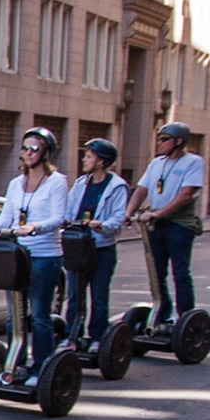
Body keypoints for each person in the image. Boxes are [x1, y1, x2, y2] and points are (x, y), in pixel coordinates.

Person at [0, 127, 70, 384]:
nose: (29, 153)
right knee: (14, 317)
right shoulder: (15, 184)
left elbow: (58, 218)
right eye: (25, 148)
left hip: (45, 256)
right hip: (18, 256)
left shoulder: (57, 182)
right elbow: (7, 215)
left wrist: (35, 227)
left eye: (34, 148)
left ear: (46, 152)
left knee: (40, 315)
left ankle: (40, 367)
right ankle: (15, 364)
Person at [126, 122, 205, 332]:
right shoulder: (156, 164)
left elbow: (186, 194)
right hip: (155, 225)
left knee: (180, 272)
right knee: (156, 272)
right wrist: (128, 213)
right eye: (159, 139)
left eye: (164, 139)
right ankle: (162, 312)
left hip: (180, 224)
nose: (159, 143)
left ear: (179, 141)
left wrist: (158, 213)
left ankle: (186, 317)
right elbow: (141, 190)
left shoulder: (193, 162)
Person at [64, 138, 131, 348]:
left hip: (102, 248)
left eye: (89, 156)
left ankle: (97, 338)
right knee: (75, 295)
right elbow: (69, 210)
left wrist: (101, 225)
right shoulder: (80, 183)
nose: (84, 160)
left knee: (99, 295)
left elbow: (118, 218)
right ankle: (71, 336)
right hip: (78, 246)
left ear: (101, 161)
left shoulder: (117, 186)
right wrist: (67, 221)